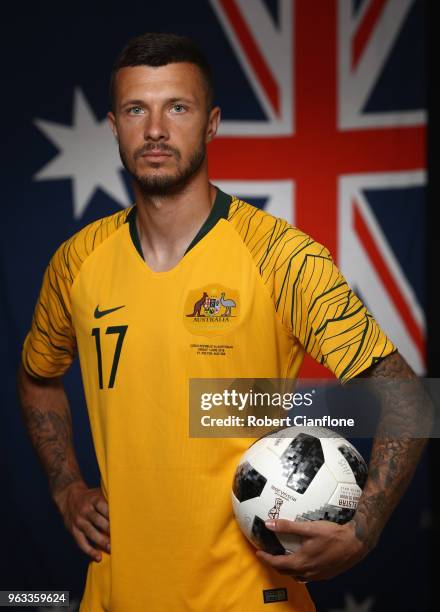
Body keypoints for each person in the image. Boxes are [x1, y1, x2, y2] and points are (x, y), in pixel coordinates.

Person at [17, 32, 431, 612]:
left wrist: (366, 525)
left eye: (177, 108)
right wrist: (65, 487)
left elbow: (407, 396)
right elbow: (38, 374)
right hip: (116, 594)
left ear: (211, 124)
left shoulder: (282, 257)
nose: (156, 129)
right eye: (138, 109)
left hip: (248, 596)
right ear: (114, 125)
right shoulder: (76, 261)